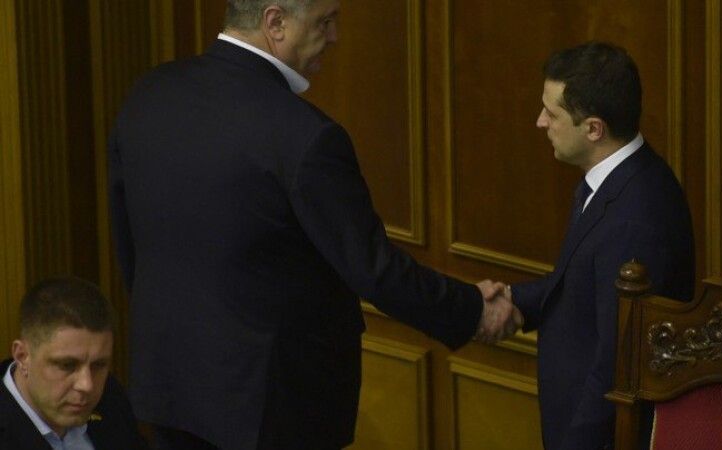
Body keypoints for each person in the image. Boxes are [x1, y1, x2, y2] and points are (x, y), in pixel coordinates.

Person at [107, 1, 518, 449]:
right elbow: (374, 270)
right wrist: (472, 310)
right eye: (325, 21)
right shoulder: (305, 136)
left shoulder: (150, 93)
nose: (335, 36)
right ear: (275, 22)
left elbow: (129, 245)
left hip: (169, 386)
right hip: (270, 409)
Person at [504, 42, 695, 449]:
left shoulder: (635, 218)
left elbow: (615, 364)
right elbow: (582, 284)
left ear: (593, 129)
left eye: (552, 113)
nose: (540, 122)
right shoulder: (615, 181)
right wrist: (511, 300)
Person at [0, 277, 144, 449]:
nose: (87, 385)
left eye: (98, 365)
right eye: (67, 365)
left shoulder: (112, 397)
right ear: (22, 357)